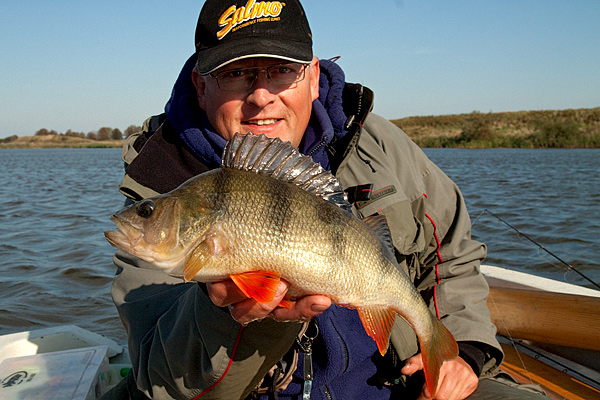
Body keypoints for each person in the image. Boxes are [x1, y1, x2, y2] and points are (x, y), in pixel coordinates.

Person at [103, 1, 548, 399]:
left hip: (403, 384)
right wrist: (232, 317)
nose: (261, 97)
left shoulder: (380, 146)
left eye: (281, 70)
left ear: (313, 77)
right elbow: (165, 382)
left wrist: (463, 349)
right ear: (201, 88)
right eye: (236, 74)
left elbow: (451, 256)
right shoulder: (159, 183)